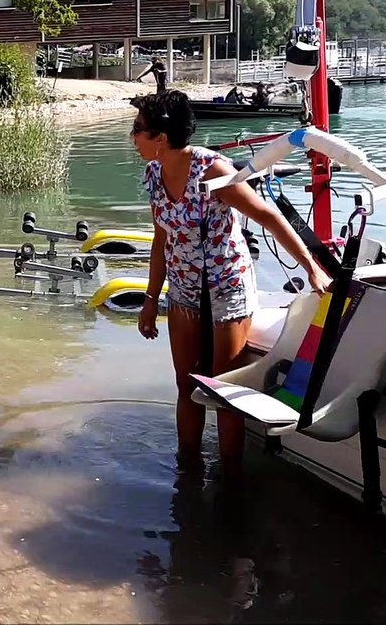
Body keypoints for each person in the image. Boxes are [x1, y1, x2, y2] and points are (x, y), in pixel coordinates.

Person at [133, 91, 332, 481]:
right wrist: (150, 298)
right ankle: (187, 472)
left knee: (224, 391)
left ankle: (230, 481)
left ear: (161, 137)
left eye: (138, 130)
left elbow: (269, 216)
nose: (132, 137)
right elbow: (161, 238)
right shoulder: (154, 174)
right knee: (186, 382)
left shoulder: (212, 171)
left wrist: (311, 267)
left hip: (227, 287)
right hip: (185, 289)